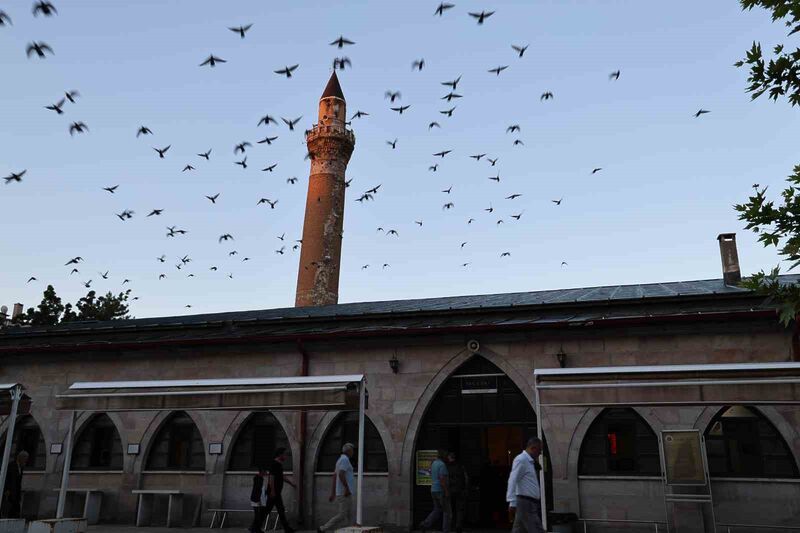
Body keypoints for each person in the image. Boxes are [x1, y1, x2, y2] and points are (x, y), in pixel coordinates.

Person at [506, 438, 544, 533]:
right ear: (533, 448)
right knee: (536, 528)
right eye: (539, 450)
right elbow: (513, 479)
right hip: (526, 503)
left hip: (527, 502)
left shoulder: (529, 462)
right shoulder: (521, 460)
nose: (540, 453)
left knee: (519, 529)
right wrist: (512, 501)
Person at [318, 443, 355, 533]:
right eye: (352, 450)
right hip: (344, 492)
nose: (353, 452)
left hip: (343, 492)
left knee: (348, 515)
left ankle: (349, 530)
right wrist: (346, 488)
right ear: (349, 451)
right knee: (342, 514)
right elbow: (341, 474)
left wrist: (333, 493)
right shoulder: (345, 460)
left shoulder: (340, 460)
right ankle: (323, 528)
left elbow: (335, 476)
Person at [263, 448, 295, 533]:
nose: (285, 456)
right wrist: (273, 491)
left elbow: (282, 476)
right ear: (280, 455)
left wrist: (291, 483)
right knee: (267, 510)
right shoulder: (275, 464)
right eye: (284, 454)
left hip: (276, 493)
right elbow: (271, 478)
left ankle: (287, 529)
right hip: (273, 493)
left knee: (280, 510)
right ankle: (254, 527)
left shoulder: (278, 465)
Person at [420, 450, 451, 533]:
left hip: (433, 489)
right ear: (444, 457)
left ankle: (425, 524)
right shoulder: (442, 465)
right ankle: (446, 530)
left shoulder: (433, 464)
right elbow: (442, 479)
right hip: (441, 491)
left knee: (437, 509)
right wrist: (446, 491)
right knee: (446, 511)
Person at [2, 451, 28, 519]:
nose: (25, 461)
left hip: (16, 492)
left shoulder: (21, 468)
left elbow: (18, 481)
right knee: (9, 509)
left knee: (15, 510)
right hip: (10, 492)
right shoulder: (11, 465)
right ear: (20, 458)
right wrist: (7, 489)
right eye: (24, 459)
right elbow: (7, 478)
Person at [446, 452, 468, 533]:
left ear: (450, 457)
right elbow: (466, 478)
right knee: (459, 509)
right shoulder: (460, 466)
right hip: (460, 490)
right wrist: (465, 488)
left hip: (451, 490)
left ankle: (451, 525)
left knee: (451, 509)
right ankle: (458, 525)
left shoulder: (447, 467)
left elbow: (446, 479)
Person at [249, 465, 269, 533]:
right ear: (262, 471)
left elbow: (259, 489)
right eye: (265, 471)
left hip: (256, 498)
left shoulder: (259, 478)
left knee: (258, 515)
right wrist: (259, 500)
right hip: (256, 499)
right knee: (258, 515)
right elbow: (258, 489)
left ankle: (254, 528)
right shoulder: (258, 478)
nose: (266, 473)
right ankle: (254, 529)